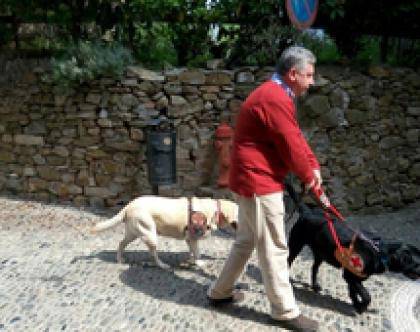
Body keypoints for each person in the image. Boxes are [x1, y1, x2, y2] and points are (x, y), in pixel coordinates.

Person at [207, 46, 322, 332]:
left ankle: (219, 293)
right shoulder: (274, 97)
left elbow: (294, 136)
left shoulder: (277, 94)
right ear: (293, 74)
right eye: (308, 75)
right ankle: (284, 311)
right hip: (258, 182)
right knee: (274, 247)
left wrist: (313, 166)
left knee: (246, 241)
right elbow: (290, 143)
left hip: (251, 180)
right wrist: (309, 177)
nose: (312, 82)